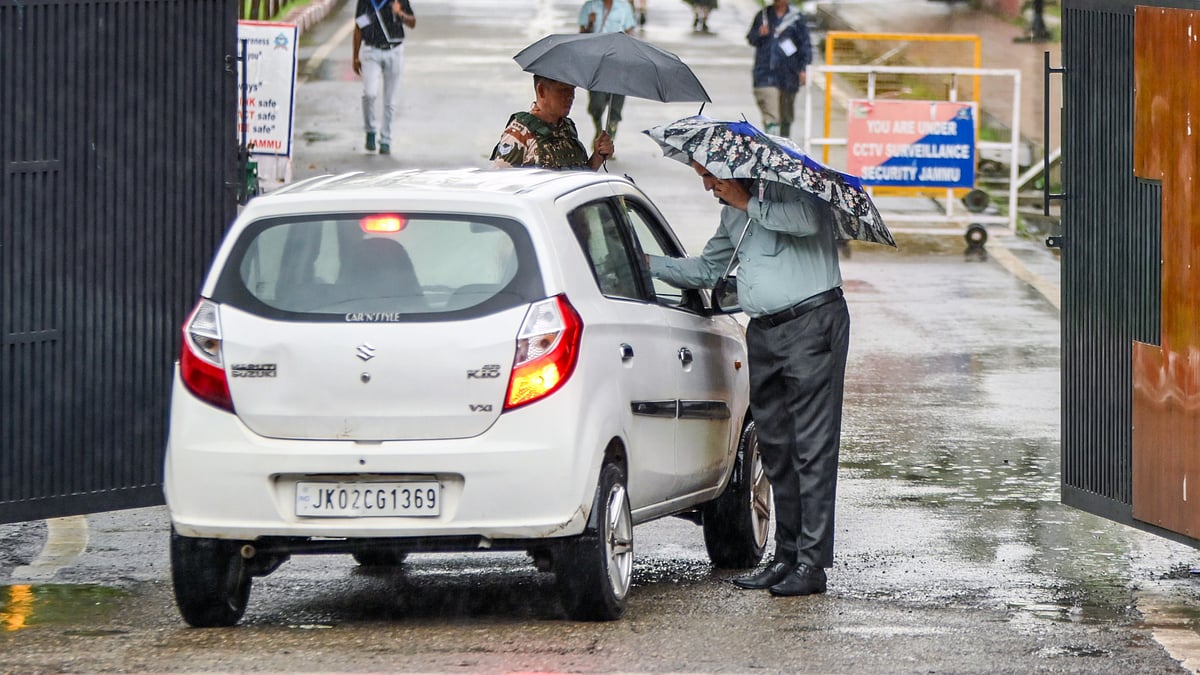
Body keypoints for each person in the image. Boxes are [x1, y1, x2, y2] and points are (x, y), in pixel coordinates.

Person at [646, 163, 849, 597]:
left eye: (709, 175)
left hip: (812, 323)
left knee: (811, 446)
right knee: (776, 447)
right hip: (764, 332)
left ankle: (812, 565)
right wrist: (647, 264)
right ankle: (786, 556)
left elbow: (810, 221)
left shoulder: (793, 188)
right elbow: (706, 270)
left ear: (733, 170)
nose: (706, 185)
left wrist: (748, 202)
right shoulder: (731, 213)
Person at [491, 75, 614, 171]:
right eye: (563, 89)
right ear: (541, 90)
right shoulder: (519, 134)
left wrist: (597, 157)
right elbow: (500, 187)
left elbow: (578, 180)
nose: (571, 96)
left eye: (572, 90)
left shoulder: (567, 129)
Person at [352, 0, 416, 156]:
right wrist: (355, 56)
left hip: (394, 51)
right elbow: (359, 27)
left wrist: (399, 13)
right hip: (371, 51)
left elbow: (412, 22)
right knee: (369, 94)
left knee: (390, 101)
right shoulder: (366, 2)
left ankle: (386, 139)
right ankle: (370, 131)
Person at [747, 0, 811, 138]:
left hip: (789, 75)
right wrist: (759, 33)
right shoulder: (763, 16)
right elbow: (751, 38)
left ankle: (785, 147)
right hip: (765, 75)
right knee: (772, 117)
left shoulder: (797, 19)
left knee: (785, 117)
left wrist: (803, 68)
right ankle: (773, 149)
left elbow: (805, 45)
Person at [577, 0, 638, 147]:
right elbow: (582, 35)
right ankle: (599, 129)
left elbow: (630, 32)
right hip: (597, 61)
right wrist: (590, 25)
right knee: (596, 104)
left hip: (618, 61)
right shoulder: (589, 6)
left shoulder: (624, 7)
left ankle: (608, 138)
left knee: (615, 103)